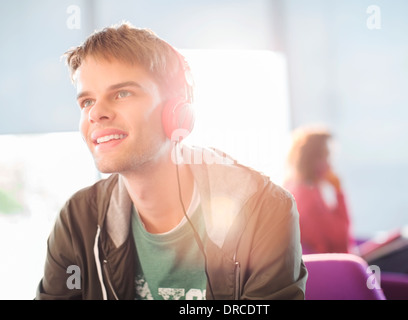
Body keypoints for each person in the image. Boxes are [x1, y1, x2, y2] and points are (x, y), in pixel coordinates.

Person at [35, 22, 307, 300]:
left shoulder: (262, 208)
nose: (97, 113)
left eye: (122, 93)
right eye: (87, 102)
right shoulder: (78, 220)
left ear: (176, 111)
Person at [284, 125, 355, 254]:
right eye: (326, 158)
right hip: (334, 267)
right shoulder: (307, 196)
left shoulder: (296, 188)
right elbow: (342, 239)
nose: (330, 165)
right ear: (311, 160)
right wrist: (339, 192)